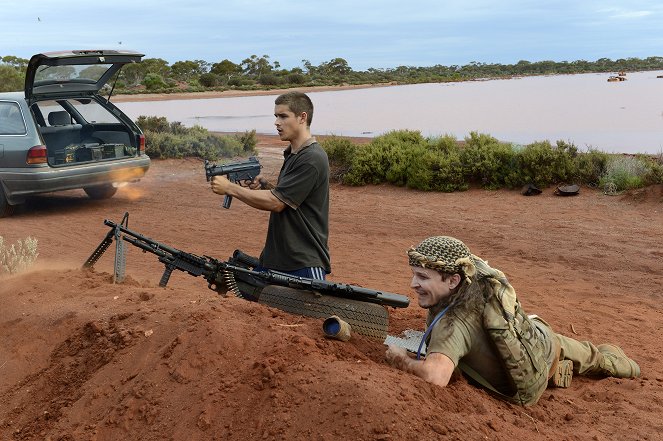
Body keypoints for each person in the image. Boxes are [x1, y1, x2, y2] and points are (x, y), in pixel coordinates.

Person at [385, 236, 640, 404]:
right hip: (532, 350)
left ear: (453, 280)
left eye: (422, 277)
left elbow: (434, 376)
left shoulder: (452, 324)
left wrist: (399, 358)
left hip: (540, 350)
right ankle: (606, 364)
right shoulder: (471, 281)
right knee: (580, 352)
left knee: (586, 355)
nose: (413, 284)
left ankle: (620, 365)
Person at [210, 91, 330, 280]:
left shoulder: (312, 158)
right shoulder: (293, 153)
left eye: (283, 116)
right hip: (276, 259)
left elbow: (276, 203)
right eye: (276, 116)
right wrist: (267, 185)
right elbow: (290, 200)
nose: (276, 122)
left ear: (302, 117)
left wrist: (230, 188)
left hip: (303, 263)